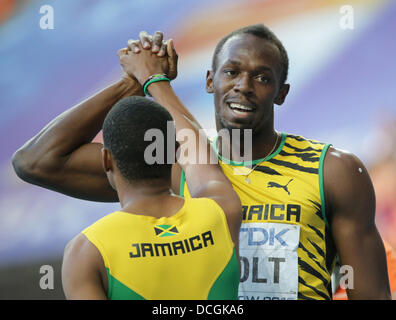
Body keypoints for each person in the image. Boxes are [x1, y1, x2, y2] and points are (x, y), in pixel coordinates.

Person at [12, 25, 391, 300]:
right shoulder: (166, 165)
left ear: (281, 93)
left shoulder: (333, 171)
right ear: (210, 81)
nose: (243, 85)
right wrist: (133, 81)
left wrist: (150, 79)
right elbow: (37, 162)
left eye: (262, 77)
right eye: (231, 72)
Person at [20, 42, 243, 299]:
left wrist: (130, 82)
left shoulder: (87, 251)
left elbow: (28, 161)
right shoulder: (222, 210)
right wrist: (153, 79)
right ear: (172, 151)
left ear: (106, 160)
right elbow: (194, 148)